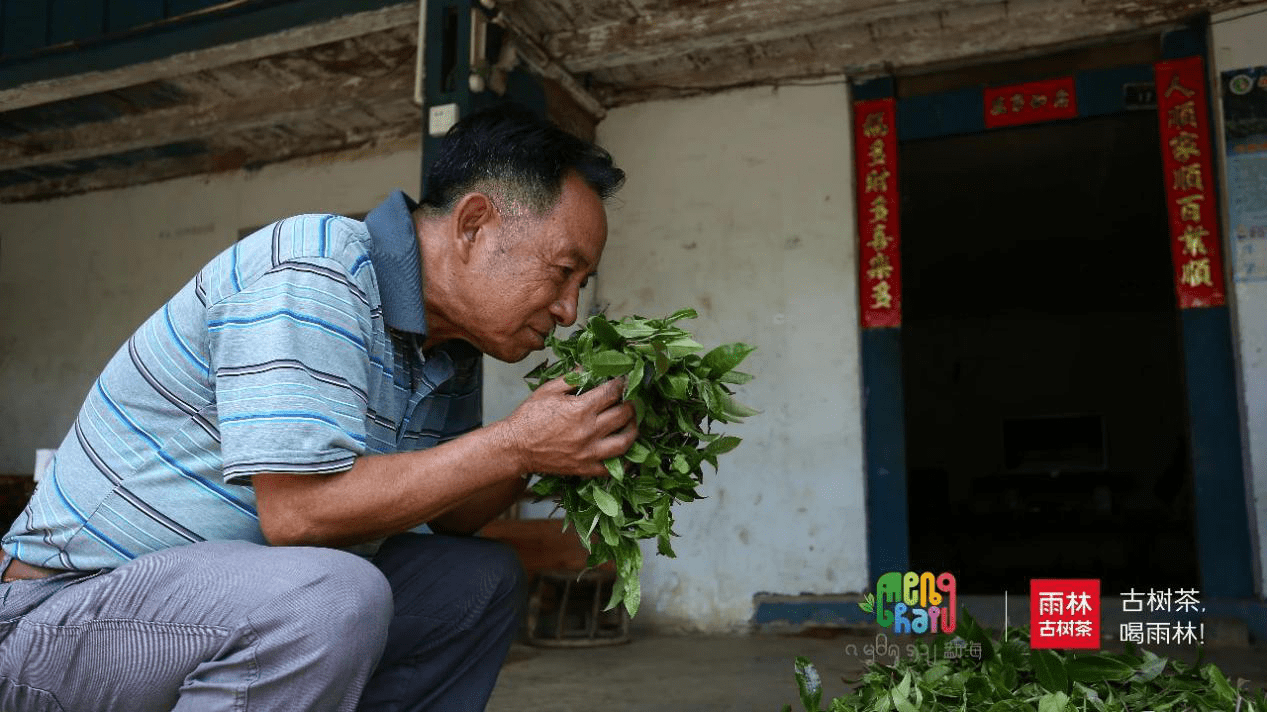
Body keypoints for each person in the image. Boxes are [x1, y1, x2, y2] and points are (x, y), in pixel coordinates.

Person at [0, 103, 636, 711]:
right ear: (473, 225)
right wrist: (516, 443)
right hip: (53, 617)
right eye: (562, 272)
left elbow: (454, 519)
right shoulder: (319, 265)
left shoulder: (452, 347)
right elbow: (299, 514)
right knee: (329, 594)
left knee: (476, 578)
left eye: (581, 286)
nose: (568, 310)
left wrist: (552, 452)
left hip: (204, 615)